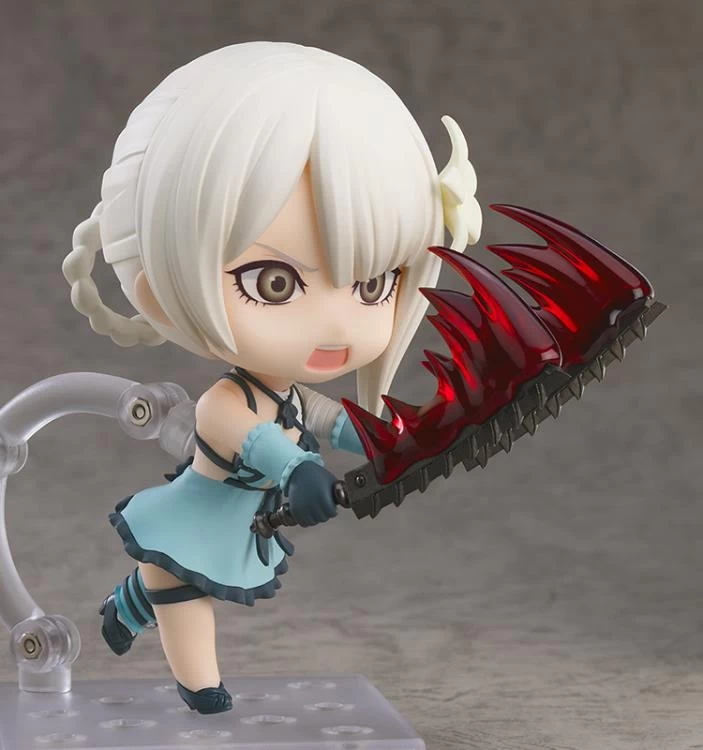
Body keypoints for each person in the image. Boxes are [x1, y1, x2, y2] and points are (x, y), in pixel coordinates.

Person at [61, 41, 481, 714]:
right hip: (200, 512)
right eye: (274, 282)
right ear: (158, 285)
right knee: (179, 586)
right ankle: (198, 683)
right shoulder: (225, 402)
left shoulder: (291, 394)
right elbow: (256, 441)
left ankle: (125, 604)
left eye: (373, 283)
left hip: (242, 519)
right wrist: (298, 471)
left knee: (170, 578)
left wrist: (392, 437)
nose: (336, 323)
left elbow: (331, 421)